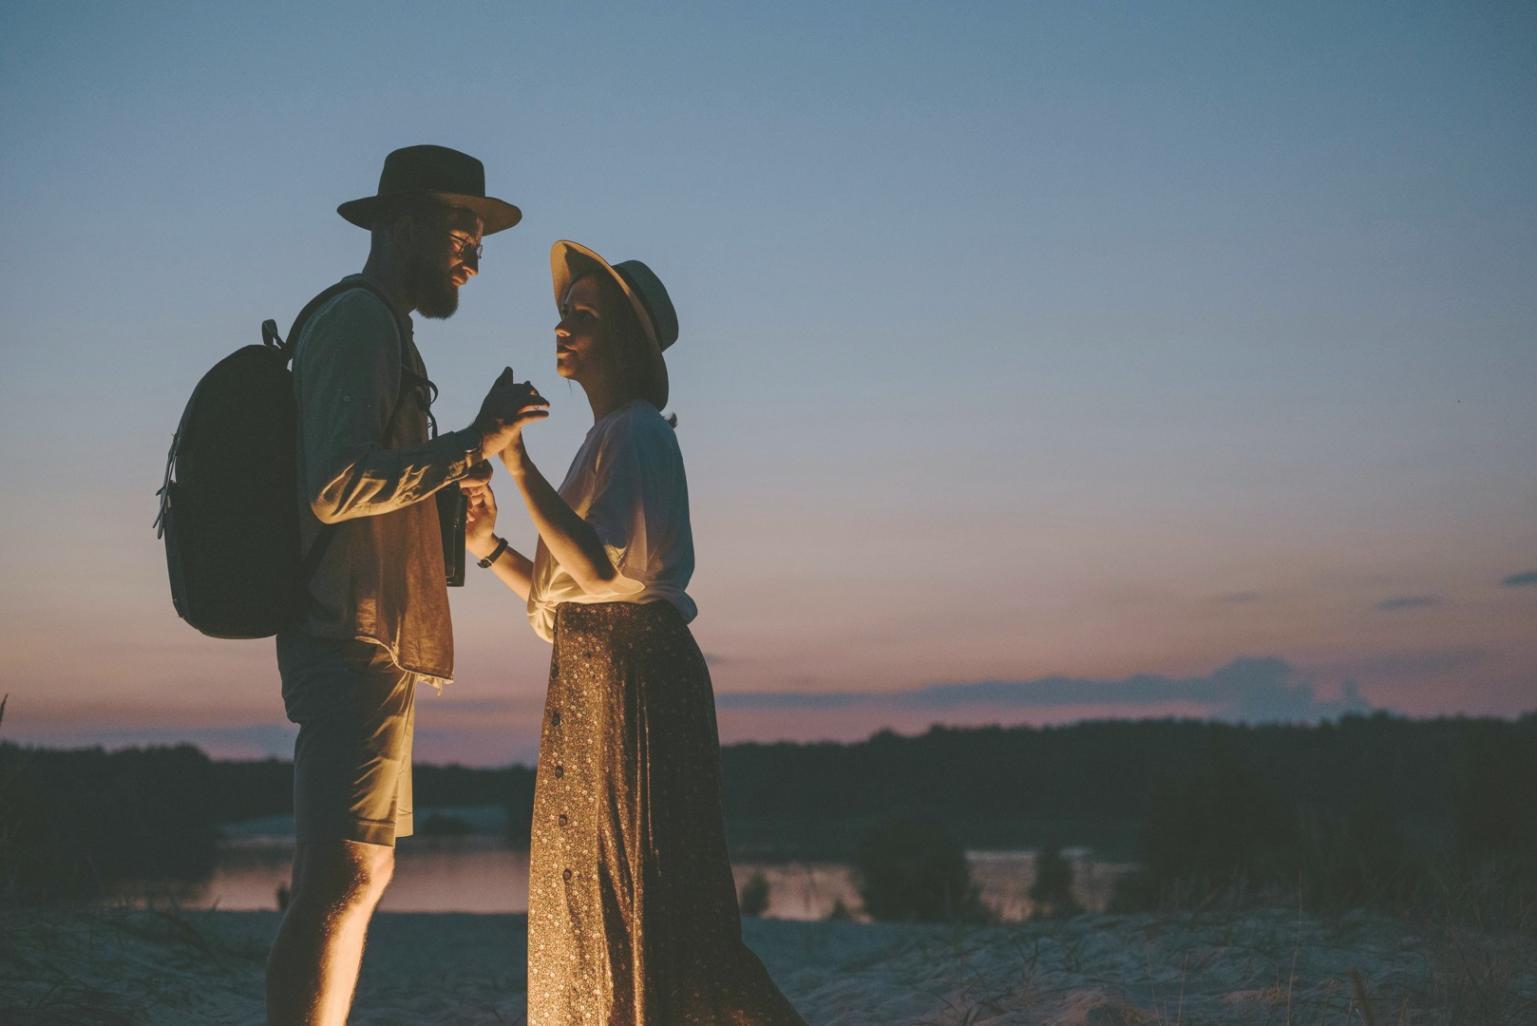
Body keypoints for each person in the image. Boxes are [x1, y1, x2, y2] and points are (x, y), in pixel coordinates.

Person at [462, 241, 806, 1024]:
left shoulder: (638, 432)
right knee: (597, 882)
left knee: (645, 889)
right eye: (563, 313)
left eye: (581, 315)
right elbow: (566, 600)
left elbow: (594, 570)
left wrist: (516, 465)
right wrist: (488, 547)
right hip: (599, 669)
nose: (562, 328)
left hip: (632, 676)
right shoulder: (608, 436)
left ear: (623, 339)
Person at [266, 145, 542, 1026]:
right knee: (338, 875)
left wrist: (456, 503)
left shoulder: (389, 326)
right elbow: (336, 485)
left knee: (362, 872)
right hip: (344, 636)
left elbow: (374, 491)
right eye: (463, 233)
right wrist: (471, 442)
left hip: (374, 642)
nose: (474, 258)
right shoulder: (358, 321)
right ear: (405, 224)